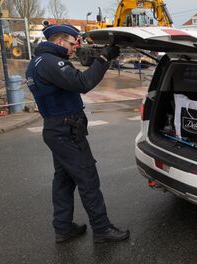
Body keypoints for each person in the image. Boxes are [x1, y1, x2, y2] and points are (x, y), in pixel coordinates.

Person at [25, 24, 130, 243]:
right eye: (73, 44)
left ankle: (63, 228)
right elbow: (83, 83)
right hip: (66, 131)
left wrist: (99, 59)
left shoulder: (38, 62)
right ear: (59, 42)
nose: (75, 48)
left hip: (58, 129)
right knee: (87, 178)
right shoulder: (52, 63)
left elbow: (73, 79)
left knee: (63, 180)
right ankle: (102, 229)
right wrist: (103, 60)